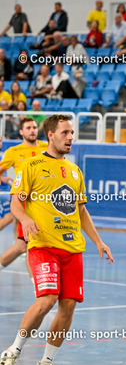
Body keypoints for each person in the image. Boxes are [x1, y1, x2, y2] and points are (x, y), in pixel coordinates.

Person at [0, 114, 113, 365]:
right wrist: (25, 219)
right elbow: (16, 203)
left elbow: (81, 210)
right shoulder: (31, 166)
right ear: (50, 135)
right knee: (47, 300)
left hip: (72, 249)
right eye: (65, 133)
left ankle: (45, 364)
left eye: (72, 133)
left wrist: (98, 241)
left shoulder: (75, 171)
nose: (70, 137)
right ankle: (12, 353)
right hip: (43, 246)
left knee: (68, 306)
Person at [0, 117, 48, 273]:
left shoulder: (47, 147)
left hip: (44, 203)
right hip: (24, 203)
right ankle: (38, 284)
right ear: (21, 131)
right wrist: (3, 178)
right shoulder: (13, 152)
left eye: (34, 127)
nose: (32, 130)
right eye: (28, 128)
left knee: (27, 246)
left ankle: (39, 283)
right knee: (25, 246)